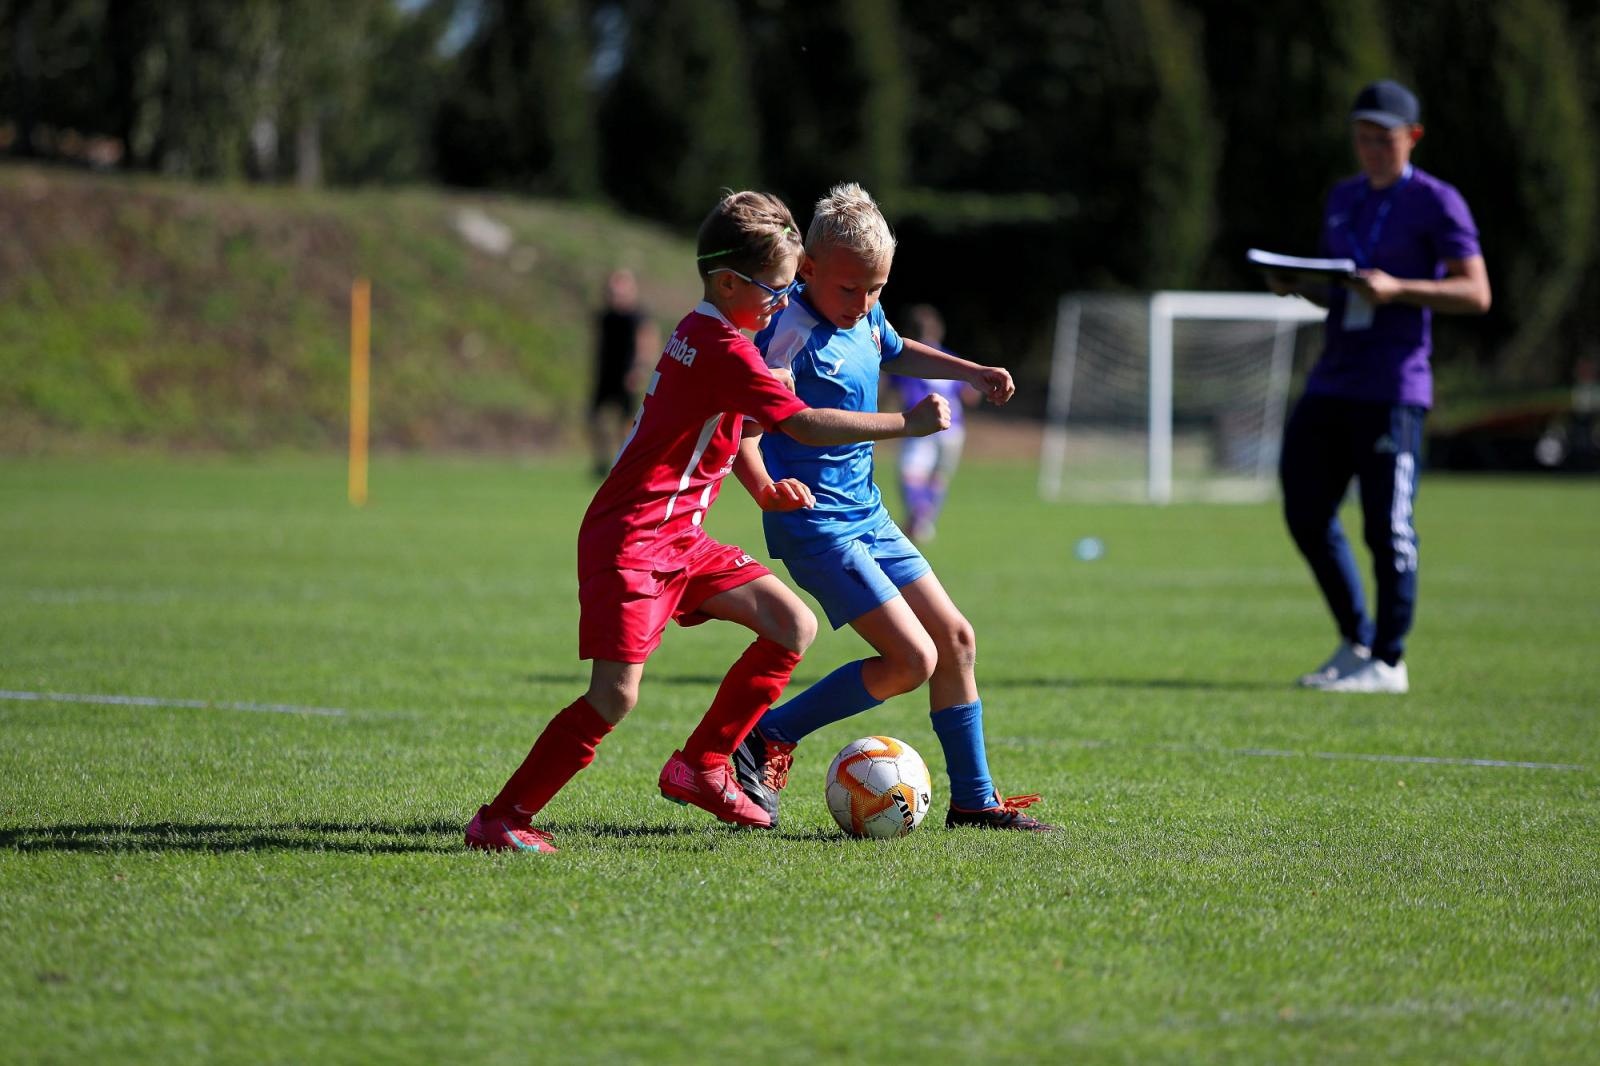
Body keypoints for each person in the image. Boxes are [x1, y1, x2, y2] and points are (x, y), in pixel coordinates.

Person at [466, 190, 952, 852]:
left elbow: (733, 426)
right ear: (728, 282)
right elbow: (801, 423)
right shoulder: (724, 348)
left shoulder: (710, 332)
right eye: (774, 290)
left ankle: (701, 765)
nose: (784, 302)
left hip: (679, 540)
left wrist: (762, 488)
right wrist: (906, 422)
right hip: (633, 541)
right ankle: (503, 818)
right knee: (614, 697)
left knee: (791, 624)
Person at [730, 182, 1054, 832]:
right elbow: (778, 426)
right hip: (817, 524)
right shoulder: (785, 334)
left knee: (956, 639)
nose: (865, 304)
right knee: (912, 661)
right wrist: (901, 426)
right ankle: (766, 736)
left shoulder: (863, 311)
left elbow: (893, 345)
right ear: (810, 269)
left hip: (868, 515)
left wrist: (973, 372)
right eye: (851, 290)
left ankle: (974, 801)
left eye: (877, 289)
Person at [1265, 79, 1490, 694]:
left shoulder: (1439, 202)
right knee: (1306, 512)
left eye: (1383, 139)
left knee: (1385, 527)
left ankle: (1388, 660)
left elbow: (1476, 291)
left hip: (1393, 386)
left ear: (1412, 137)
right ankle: (1356, 640)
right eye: (1361, 138)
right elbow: (1337, 283)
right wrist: (1297, 284)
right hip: (1333, 378)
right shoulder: (1344, 197)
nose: (1370, 150)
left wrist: (1400, 289)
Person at [885, 304, 979, 543]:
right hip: (954, 427)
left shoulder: (905, 359)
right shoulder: (949, 358)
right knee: (938, 477)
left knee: (910, 474)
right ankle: (923, 519)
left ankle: (919, 517)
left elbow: (890, 391)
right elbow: (970, 395)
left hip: (923, 423)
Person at [588, 268, 656, 476]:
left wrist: (640, 368)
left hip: (627, 375)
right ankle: (602, 461)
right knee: (594, 418)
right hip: (605, 373)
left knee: (625, 422)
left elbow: (646, 341)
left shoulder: (637, 316)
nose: (614, 295)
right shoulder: (605, 317)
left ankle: (623, 462)